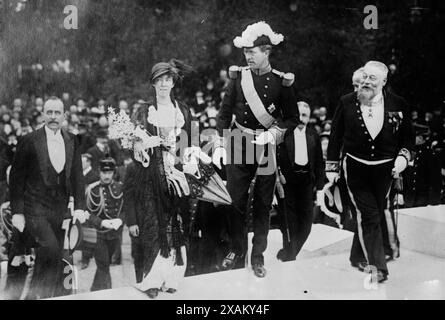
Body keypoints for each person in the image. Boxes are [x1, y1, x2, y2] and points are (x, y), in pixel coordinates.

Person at [214, 21, 299, 278]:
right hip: (239, 144)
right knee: (234, 200)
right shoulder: (239, 78)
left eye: (253, 52)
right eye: (246, 52)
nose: (248, 56)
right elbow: (224, 113)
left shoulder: (281, 82)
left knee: (263, 204)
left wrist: (274, 133)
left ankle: (257, 256)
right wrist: (220, 141)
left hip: (266, 147)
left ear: (266, 52)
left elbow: (292, 118)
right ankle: (237, 250)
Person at [326, 61, 414, 283]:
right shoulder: (346, 102)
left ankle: (357, 255)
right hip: (355, 168)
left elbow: (408, 138)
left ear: (384, 82)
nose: (365, 81)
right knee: (369, 214)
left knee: (372, 212)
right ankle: (378, 266)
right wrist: (332, 168)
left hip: (385, 171)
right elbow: (335, 137)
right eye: (364, 76)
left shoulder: (398, 104)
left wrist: (403, 158)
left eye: (372, 78)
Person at [124, 59, 193, 298]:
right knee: (154, 227)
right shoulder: (144, 111)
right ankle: (151, 281)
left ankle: (172, 277)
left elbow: (187, 144)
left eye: (168, 80)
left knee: (177, 225)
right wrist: (145, 144)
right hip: (151, 177)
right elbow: (132, 147)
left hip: (176, 174)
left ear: (173, 82)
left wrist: (186, 167)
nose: (164, 84)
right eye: (159, 80)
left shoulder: (183, 110)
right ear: (153, 84)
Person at [9, 97, 88, 299]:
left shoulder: (72, 140)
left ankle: (37, 296)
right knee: (50, 249)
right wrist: (17, 212)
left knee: (53, 258)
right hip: (34, 210)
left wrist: (80, 206)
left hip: (59, 211)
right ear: (43, 114)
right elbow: (16, 180)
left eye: (57, 113)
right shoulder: (28, 140)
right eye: (49, 112)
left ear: (64, 115)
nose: (53, 117)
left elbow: (78, 176)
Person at [276, 101, 325, 261]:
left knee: (306, 225)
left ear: (309, 117)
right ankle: (289, 256)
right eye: (299, 115)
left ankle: (290, 252)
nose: (301, 119)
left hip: (306, 183)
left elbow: (319, 163)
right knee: (289, 222)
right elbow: (275, 158)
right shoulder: (284, 134)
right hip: (288, 182)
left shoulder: (313, 135)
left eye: (305, 115)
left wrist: (319, 188)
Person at [86, 158, 124, 291]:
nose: (107, 176)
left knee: (105, 264)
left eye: (109, 172)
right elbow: (86, 213)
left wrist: (120, 220)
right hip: (97, 234)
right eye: (104, 172)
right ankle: (108, 294)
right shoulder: (92, 189)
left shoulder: (120, 187)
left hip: (114, 234)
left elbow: (126, 208)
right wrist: (101, 222)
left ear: (114, 173)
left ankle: (94, 290)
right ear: (99, 172)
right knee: (103, 265)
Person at [403, 123, 442, 207]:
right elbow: (406, 177)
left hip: (423, 201)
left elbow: (435, 181)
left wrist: (432, 202)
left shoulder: (430, 155)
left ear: (420, 138)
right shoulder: (410, 152)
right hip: (409, 200)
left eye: (414, 137)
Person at [79, 153, 99, 270]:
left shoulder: (94, 176)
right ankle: (86, 256)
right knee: (82, 233)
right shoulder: (79, 174)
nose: (81, 164)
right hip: (80, 207)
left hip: (90, 208)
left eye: (83, 162)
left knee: (88, 233)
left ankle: (86, 258)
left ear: (88, 162)